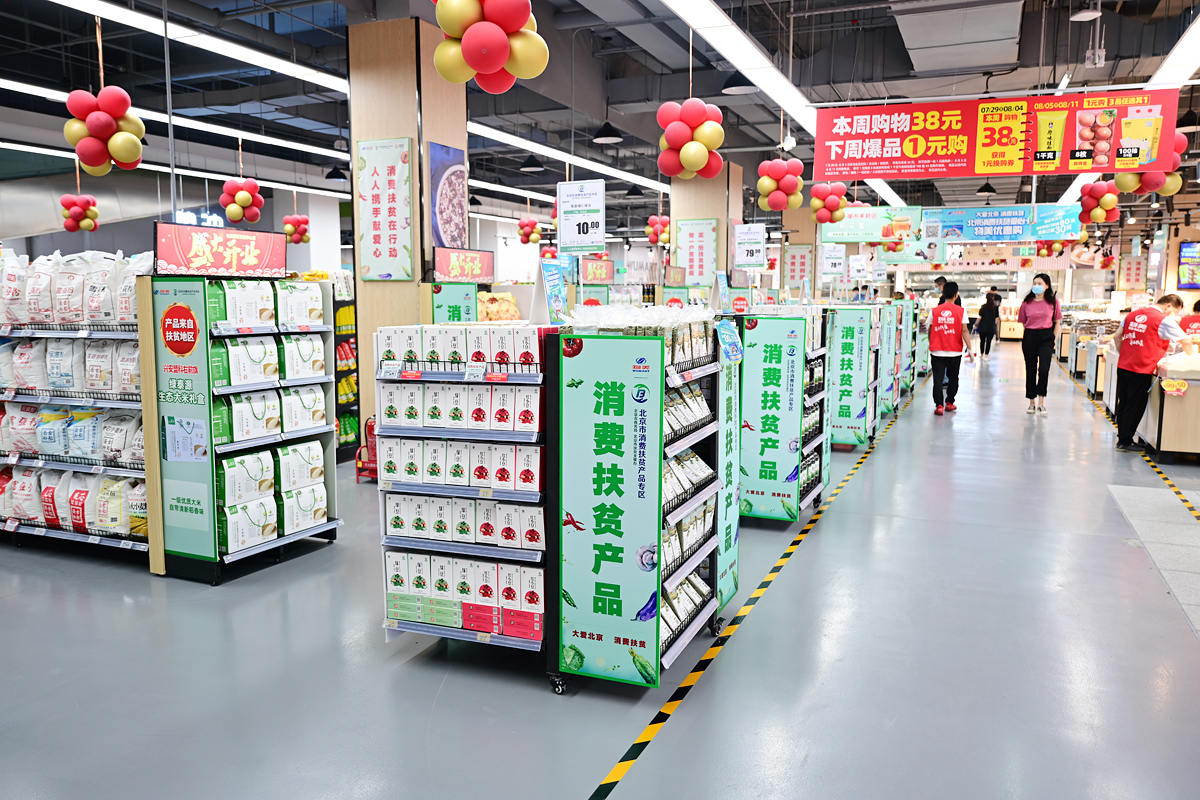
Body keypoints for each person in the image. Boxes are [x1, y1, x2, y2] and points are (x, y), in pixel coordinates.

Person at [1112, 294, 1195, 451]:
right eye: (1174, 312)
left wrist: (1125, 355)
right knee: (1135, 405)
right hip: (1141, 368)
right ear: (1168, 306)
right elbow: (1186, 341)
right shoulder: (1163, 319)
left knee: (1124, 402)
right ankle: (1125, 441)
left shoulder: (1132, 314)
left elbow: (1117, 336)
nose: (1173, 315)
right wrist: (1191, 362)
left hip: (1123, 366)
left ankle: (1122, 437)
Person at [1017, 273, 1061, 415]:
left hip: (1046, 337)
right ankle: (1032, 402)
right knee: (1030, 369)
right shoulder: (1026, 302)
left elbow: (1057, 323)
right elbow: (1023, 322)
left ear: (1047, 286)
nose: (1036, 286)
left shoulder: (1053, 302)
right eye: (1035, 283)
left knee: (1043, 369)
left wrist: (1053, 339)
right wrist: (1030, 332)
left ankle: (1041, 402)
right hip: (1030, 336)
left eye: (1040, 283)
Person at [929, 280, 973, 416]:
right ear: (956, 295)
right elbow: (965, 330)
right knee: (953, 377)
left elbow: (930, 329)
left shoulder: (935, 311)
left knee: (937, 379)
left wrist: (932, 342)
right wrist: (970, 349)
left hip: (937, 351)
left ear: (943, 293)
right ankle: (949, 402)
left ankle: (939, 405)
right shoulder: (961, 311)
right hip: (955, 351)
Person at [977, 293, 1000, 361]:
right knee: (988, 342)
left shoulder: (983, 307)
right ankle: (986, 356)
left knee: (982, 341)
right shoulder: (995, 308)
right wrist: (994, 324)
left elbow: (980, 317)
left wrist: (976, 324)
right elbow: (996, 318)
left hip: (983, 327)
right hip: (991, 327)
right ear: (993, 298)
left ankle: (981, 355)